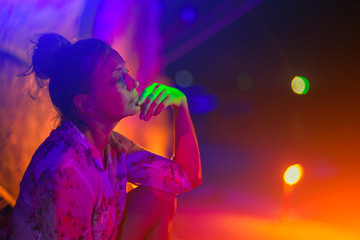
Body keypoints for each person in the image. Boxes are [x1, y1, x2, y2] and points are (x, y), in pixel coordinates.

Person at [3, 33, 202, 240]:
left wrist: (180, 104)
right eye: (118, 78)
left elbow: (184, 178)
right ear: (86, 104)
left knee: (158, 198)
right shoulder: (66, 169)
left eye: (127, 72)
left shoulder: (111, 146)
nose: (133, 83)